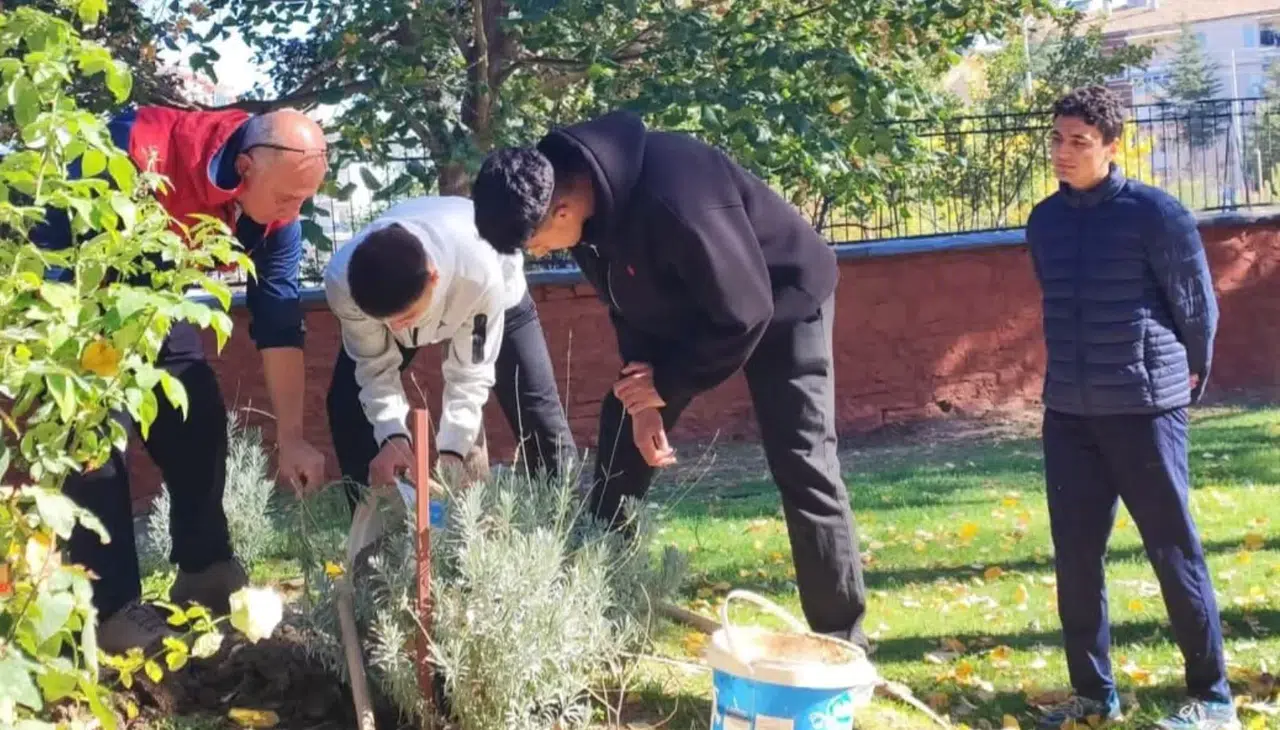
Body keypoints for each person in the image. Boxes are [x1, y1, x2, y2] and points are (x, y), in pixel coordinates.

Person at [471, 110, 869, 648]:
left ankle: (842, 641)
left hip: (781, 301)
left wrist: (669, 382)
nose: (538, 254)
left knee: (803, 463)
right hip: (692, 305)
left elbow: (745, 312)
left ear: (560, 209)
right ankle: (595, 610)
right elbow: (625, 305)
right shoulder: (585, 220)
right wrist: (644, 401)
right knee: (620, 440)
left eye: (536, 243)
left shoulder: (679, 196)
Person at [32, 105, 330, 654]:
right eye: (288, 197)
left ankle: (205, 567)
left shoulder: (275, 217)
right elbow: (52, 246)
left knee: (196, 409)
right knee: (96, 438)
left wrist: (291, 436)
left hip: (151, 295)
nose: (296, 211)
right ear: (245, 168)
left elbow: (279, 317)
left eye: (305, 198)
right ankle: (111, 609)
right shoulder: (132, 150)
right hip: (79, 282)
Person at [1026, 86, 1237, 730]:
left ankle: (1213, 698)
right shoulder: (1044, 220)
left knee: (1174, 551)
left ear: (1112, 148)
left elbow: (1197, 311)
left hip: (1146, 409)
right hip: (1068, 413)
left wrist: (1179, 387)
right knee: (1075, 556)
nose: (1064, 152)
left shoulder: (1157, 215)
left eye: (1079, 142)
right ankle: (1093, 695)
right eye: (1058, 139)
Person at [324, 196, 576, 503]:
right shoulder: (342, 283)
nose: (397, 330)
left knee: (538, 409)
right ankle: (376, 535)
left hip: (495, 292)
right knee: (347, 403)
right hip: (406, 287)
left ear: (433, 278)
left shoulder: (480, 272)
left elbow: (471, 373)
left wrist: (453, 450)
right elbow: (373, 365)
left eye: (405, 319)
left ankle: (565, 521)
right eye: (386, 324)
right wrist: (392, 436)